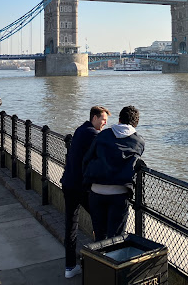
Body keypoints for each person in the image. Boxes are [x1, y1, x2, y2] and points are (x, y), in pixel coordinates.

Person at [60, 106, 110, 279]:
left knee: (71, 226)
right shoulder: (93, 134)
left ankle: (69, 267)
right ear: (94, 117)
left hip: (68, 184)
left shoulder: (81, 129)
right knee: (101, 221)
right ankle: (99, 263)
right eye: (103, 120)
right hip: (81, 187)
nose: (105, 123)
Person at [83, 105, 145, 242]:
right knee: (116, 238)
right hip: (119, 192)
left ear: (119, 119)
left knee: (99, 236)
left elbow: (87, 158)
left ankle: (98, 255)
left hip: (97, 190)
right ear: (136, 123)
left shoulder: (103, 135)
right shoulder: (138, 141)